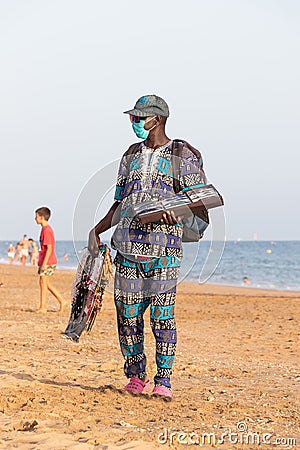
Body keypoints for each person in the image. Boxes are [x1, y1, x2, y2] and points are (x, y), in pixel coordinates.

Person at [88, 95, 207, 398]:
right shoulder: (130, 156)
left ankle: (163, 381)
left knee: (162, 317)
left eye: (138, 118)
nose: (134, 123)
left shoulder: (183, 155)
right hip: (127, 247)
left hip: (165, 251)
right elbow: (120, 203)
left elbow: (201, 200)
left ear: (157, 119)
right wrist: (97, 229)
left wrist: (177, 212)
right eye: (133, 118)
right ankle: (136, 375)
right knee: (127, 314)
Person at [35, 207, 67, 313]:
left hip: (48, 260)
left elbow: (49, 248)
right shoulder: (44, 229)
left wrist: (44, 263)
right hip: (46, 260)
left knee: (44, 282)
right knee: (44, 283)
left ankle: (43, 307)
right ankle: (61, 301)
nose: (35, 219)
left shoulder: (47, 230)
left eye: (36, 216)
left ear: (42, 217)